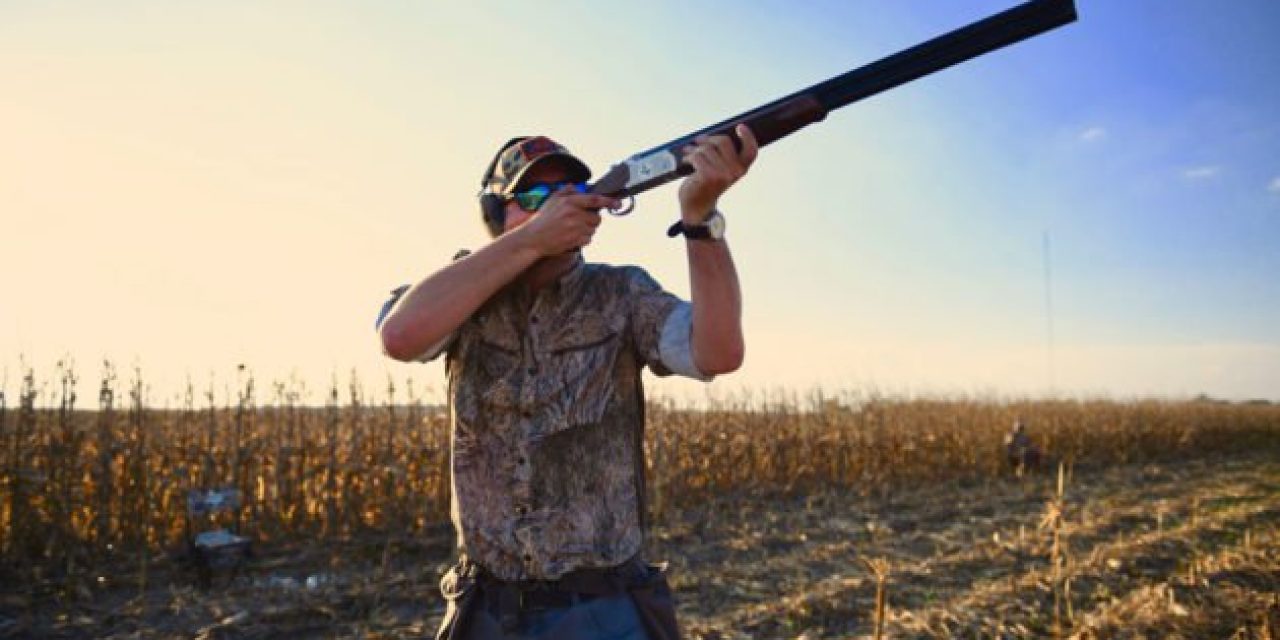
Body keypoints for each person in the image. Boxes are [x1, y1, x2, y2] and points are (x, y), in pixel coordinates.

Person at [376, 124, 759, 639]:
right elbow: (401, 336)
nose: (558, 207)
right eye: (534, 197)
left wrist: (700, 218)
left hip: (605, 608)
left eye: (570, 194)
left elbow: (718, 352)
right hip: (486, 607)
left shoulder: (621, 291)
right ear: (495, 215)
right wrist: (532, 241)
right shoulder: (460, 289)